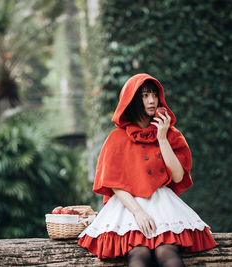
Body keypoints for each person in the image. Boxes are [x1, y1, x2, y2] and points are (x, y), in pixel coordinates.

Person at [78, 74, 217, 267]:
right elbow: (114, 184)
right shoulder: (116, 138)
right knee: (138, 254)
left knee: (167, 252)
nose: (152, 100)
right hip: (128, 207)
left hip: (162, 205)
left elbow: (177, 176)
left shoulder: (171, 135)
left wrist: (162, 138)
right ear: (133, 100)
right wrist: (138, 213)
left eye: (154, 94)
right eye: (145, 95)